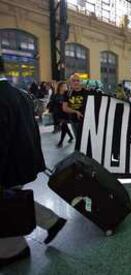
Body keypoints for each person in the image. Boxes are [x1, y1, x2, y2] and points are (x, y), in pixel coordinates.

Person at [0, 49, 67, 268]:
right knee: (11, 200)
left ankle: (14, 249)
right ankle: (52, 222)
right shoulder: (18, 93)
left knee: (8, 203)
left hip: (9, 163)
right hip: (22, 160)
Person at [62, 73, 90, 141]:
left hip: (86, 120)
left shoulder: (86, 92)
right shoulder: (67, 93)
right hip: (74, 121)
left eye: (77, 80)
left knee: (87, 140)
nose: (76, 82)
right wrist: (75, 111)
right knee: (78, 140)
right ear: (70, 82)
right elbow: (64, 108)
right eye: (73, 80)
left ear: (80, 82)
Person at [55, 81, 74, 147]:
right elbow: (54, 103)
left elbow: (71, 103)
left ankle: (61, 142)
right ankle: (71, 137)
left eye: (65, 86)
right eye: (63, 86)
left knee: (64, 127)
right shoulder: (56, 94)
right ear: (59, 87)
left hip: (66, 113)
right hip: (59, 113)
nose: (64, 88)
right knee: (65, 127)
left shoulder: (68, 95)